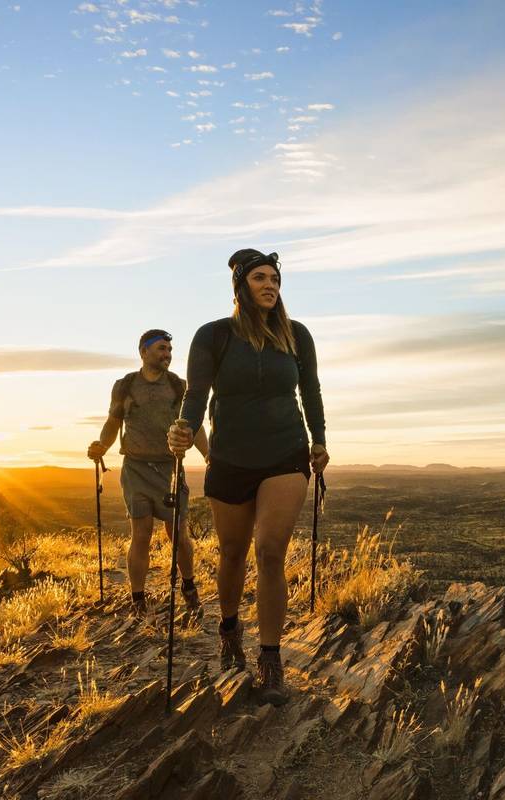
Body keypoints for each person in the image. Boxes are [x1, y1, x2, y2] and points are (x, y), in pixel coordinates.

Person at [168, 249, 328, 706]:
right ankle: (230, 630)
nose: (270, 284)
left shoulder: (296, 336)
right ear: (241, 285)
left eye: (275, 278)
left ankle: (271, 660)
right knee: (233, 552)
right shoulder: (214, 336)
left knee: (270, 549)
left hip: (285, 452)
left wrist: (318, 440)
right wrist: (181, 428)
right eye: (260, 277)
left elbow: (310, 390)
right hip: (231, 457)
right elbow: (196, 393)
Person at [87, 328, 209, 615]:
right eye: (161, 349)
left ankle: (188, 585)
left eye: (169, 350)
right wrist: (101, 446)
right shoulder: (125, 385)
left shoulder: (179, 386)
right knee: (140, 533)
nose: (167, 354)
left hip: (170, 468)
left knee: (176, 533)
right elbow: (113, 421)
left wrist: (208, 455)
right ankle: (138, 598)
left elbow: (194, 424)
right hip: (135, 468)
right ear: (143, 351)